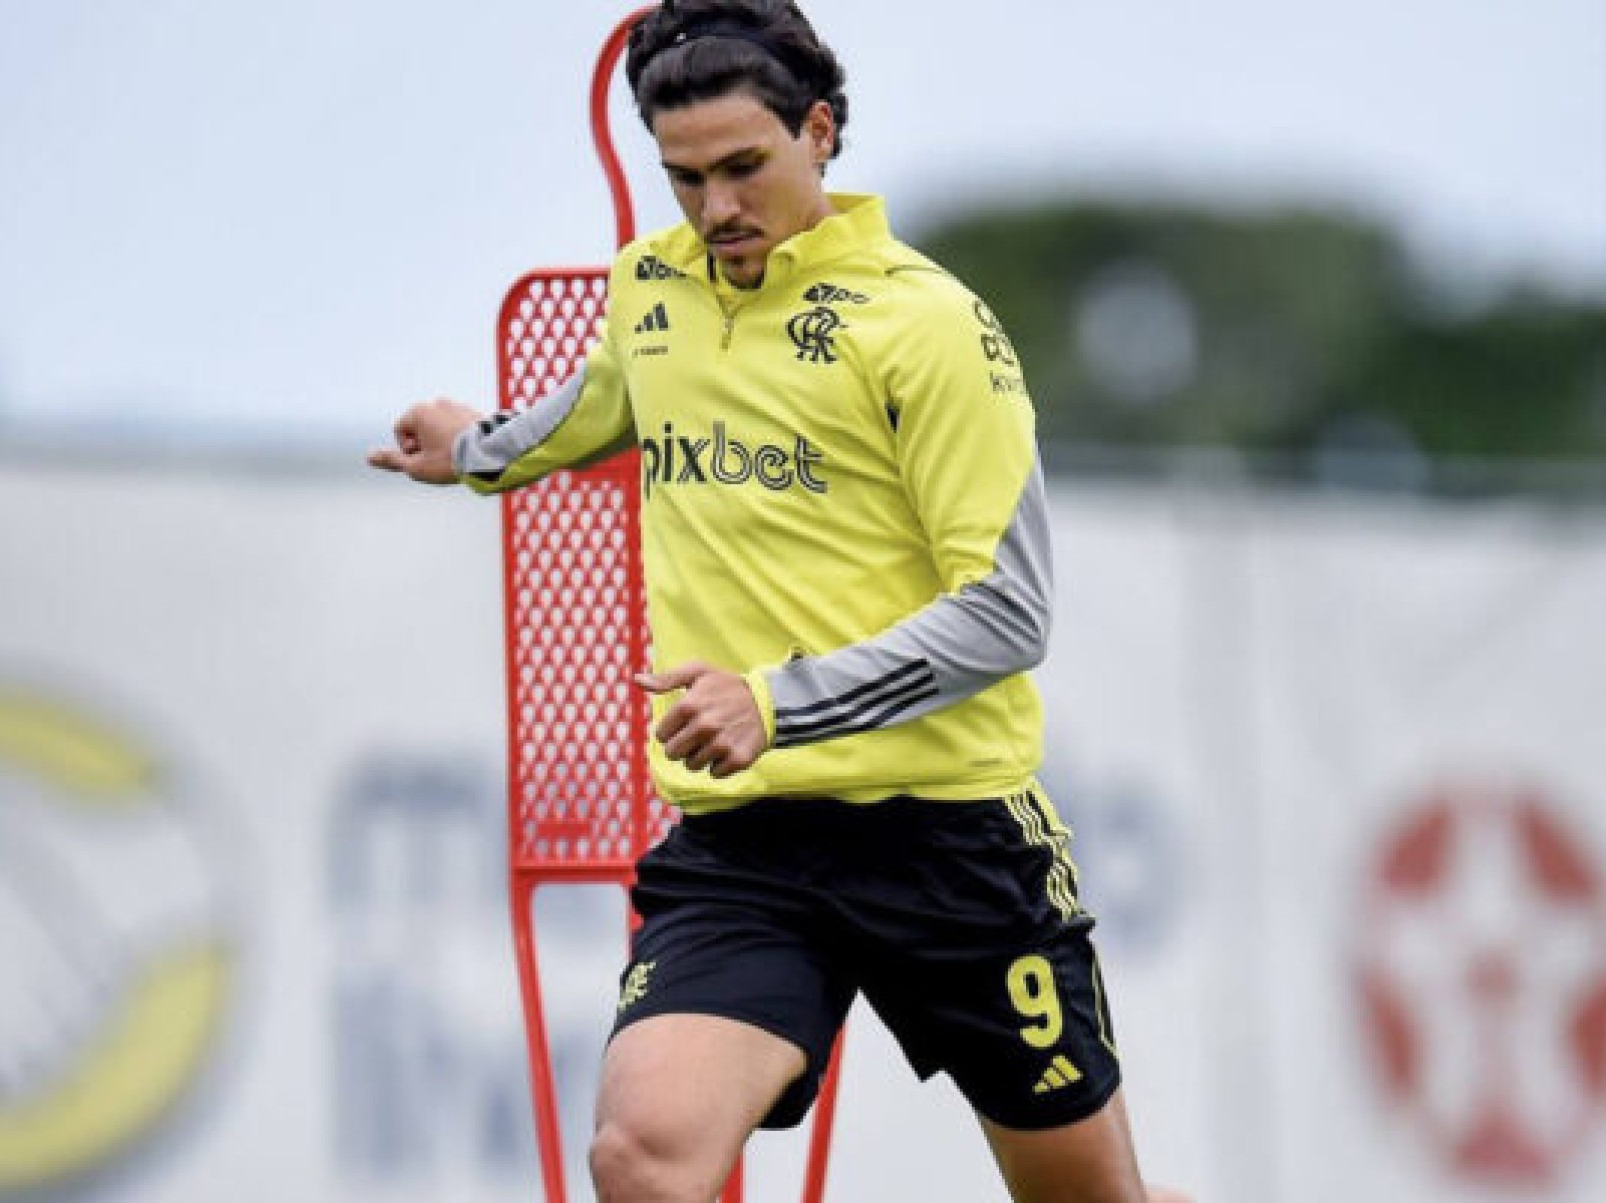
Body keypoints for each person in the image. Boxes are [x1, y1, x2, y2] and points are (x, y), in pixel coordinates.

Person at [370, 3, 1192, 1200]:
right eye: (685, 177)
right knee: (642, 1155)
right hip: (747, 844)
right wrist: (477, 448)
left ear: (821, 132)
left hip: (950, 841)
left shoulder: (931, 328)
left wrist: (778, 703)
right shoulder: (651, 288)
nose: (716, 212)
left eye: (744, 168)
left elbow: (1011, 614)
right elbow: (597, 408)